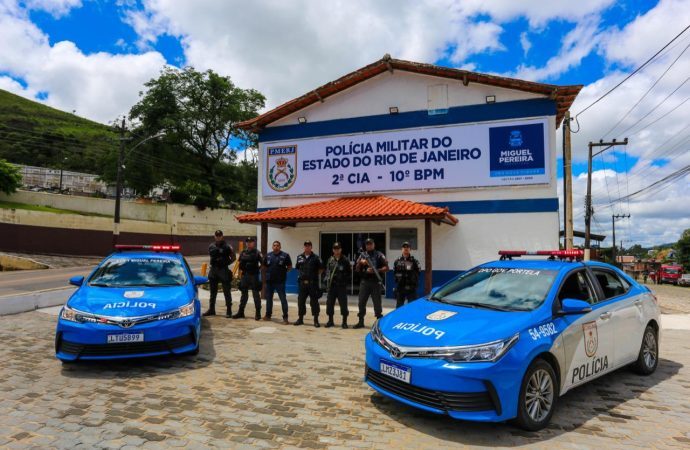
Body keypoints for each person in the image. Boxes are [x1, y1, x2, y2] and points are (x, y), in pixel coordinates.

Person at [353, 238, 388, 329]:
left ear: (374, 245)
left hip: (375, 282)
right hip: (365, 282)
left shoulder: (379, 255)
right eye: (367, 244)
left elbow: (386, 268)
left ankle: (379, 324)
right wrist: (361, 263)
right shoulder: (362, 255)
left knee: (377, 303)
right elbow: (356, 269)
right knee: (361, 302)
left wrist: (376, 270)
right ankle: (361, 321)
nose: (369, 246)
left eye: (370, 244)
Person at [203, 230, 236, 317]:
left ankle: (229, 310)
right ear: (214, 236)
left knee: (226, 291)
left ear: (222, 236)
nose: (218, 237)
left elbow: (233, 257)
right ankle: (211, 309)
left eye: (219, 235)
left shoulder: (227, 246)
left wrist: (226, 263)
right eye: (216, 235)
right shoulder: (211, 246)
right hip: (213, 270)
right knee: (213, 292)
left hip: (223, 270)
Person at [294, 240, 323, 327]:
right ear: (304, 247)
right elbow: (298, 268)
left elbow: (321, 269)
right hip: (302, 284)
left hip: (312, 284)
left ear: (311, 247)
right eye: (306, 245)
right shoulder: (299, 257)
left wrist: (313, 275)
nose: (307, 247)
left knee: (314, 302)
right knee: (301, 301)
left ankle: (316, 320)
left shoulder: (316, 257)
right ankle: (300, 319)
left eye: (309, 245)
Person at [233, 237, 263, 320]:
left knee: (256, 295)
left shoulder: (257, 252)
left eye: (251, 242)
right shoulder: (243, 252)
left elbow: (263, 263)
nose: (249, 243)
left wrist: (258, 270)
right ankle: (241, 312)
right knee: (244, 295)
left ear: (254, 243)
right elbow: (239, 263)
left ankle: (258, 313)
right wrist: (239, 275)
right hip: (245, 275)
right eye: (247, 242)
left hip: (254, 275)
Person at [263, 240, 292, 324]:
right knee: (269, 299)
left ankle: (285, 317)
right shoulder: (268, 255)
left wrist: (283, 272)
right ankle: (268, 315)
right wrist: (265, 279)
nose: (276, 247)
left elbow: (289, 267)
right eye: (274, 245)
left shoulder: (285, 255)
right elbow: (264, 266)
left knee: (283, 299)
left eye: (277, 245)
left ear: (280, 247)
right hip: (269, 282)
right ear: (272, 247)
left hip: (280, 282)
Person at [324, 242, 352, 329]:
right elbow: (327, 271)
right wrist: (326, 281)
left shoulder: (345, 260)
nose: (337, 250)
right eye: (335, 249)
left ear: (341, 249)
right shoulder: (330, 260)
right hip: (332, 286)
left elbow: (349, 273)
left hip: (341, 287)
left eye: (338, 249)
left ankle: (344, 322)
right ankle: (330, 321)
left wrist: (344, 281)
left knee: (343, 304)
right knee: (329, 304)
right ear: (333, 250)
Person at [393, 242, 421, 308]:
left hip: (411, 288)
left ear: (410, 249)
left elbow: (418, 273)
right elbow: (395, 273)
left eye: (407, 247)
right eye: (404, 247)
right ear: (401, 249)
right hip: (400, 287)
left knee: (412, 307)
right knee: (399, 307)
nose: (405, 249)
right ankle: (399, 318)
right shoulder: (397, 261)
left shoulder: (414, 261)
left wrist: (410, 274)